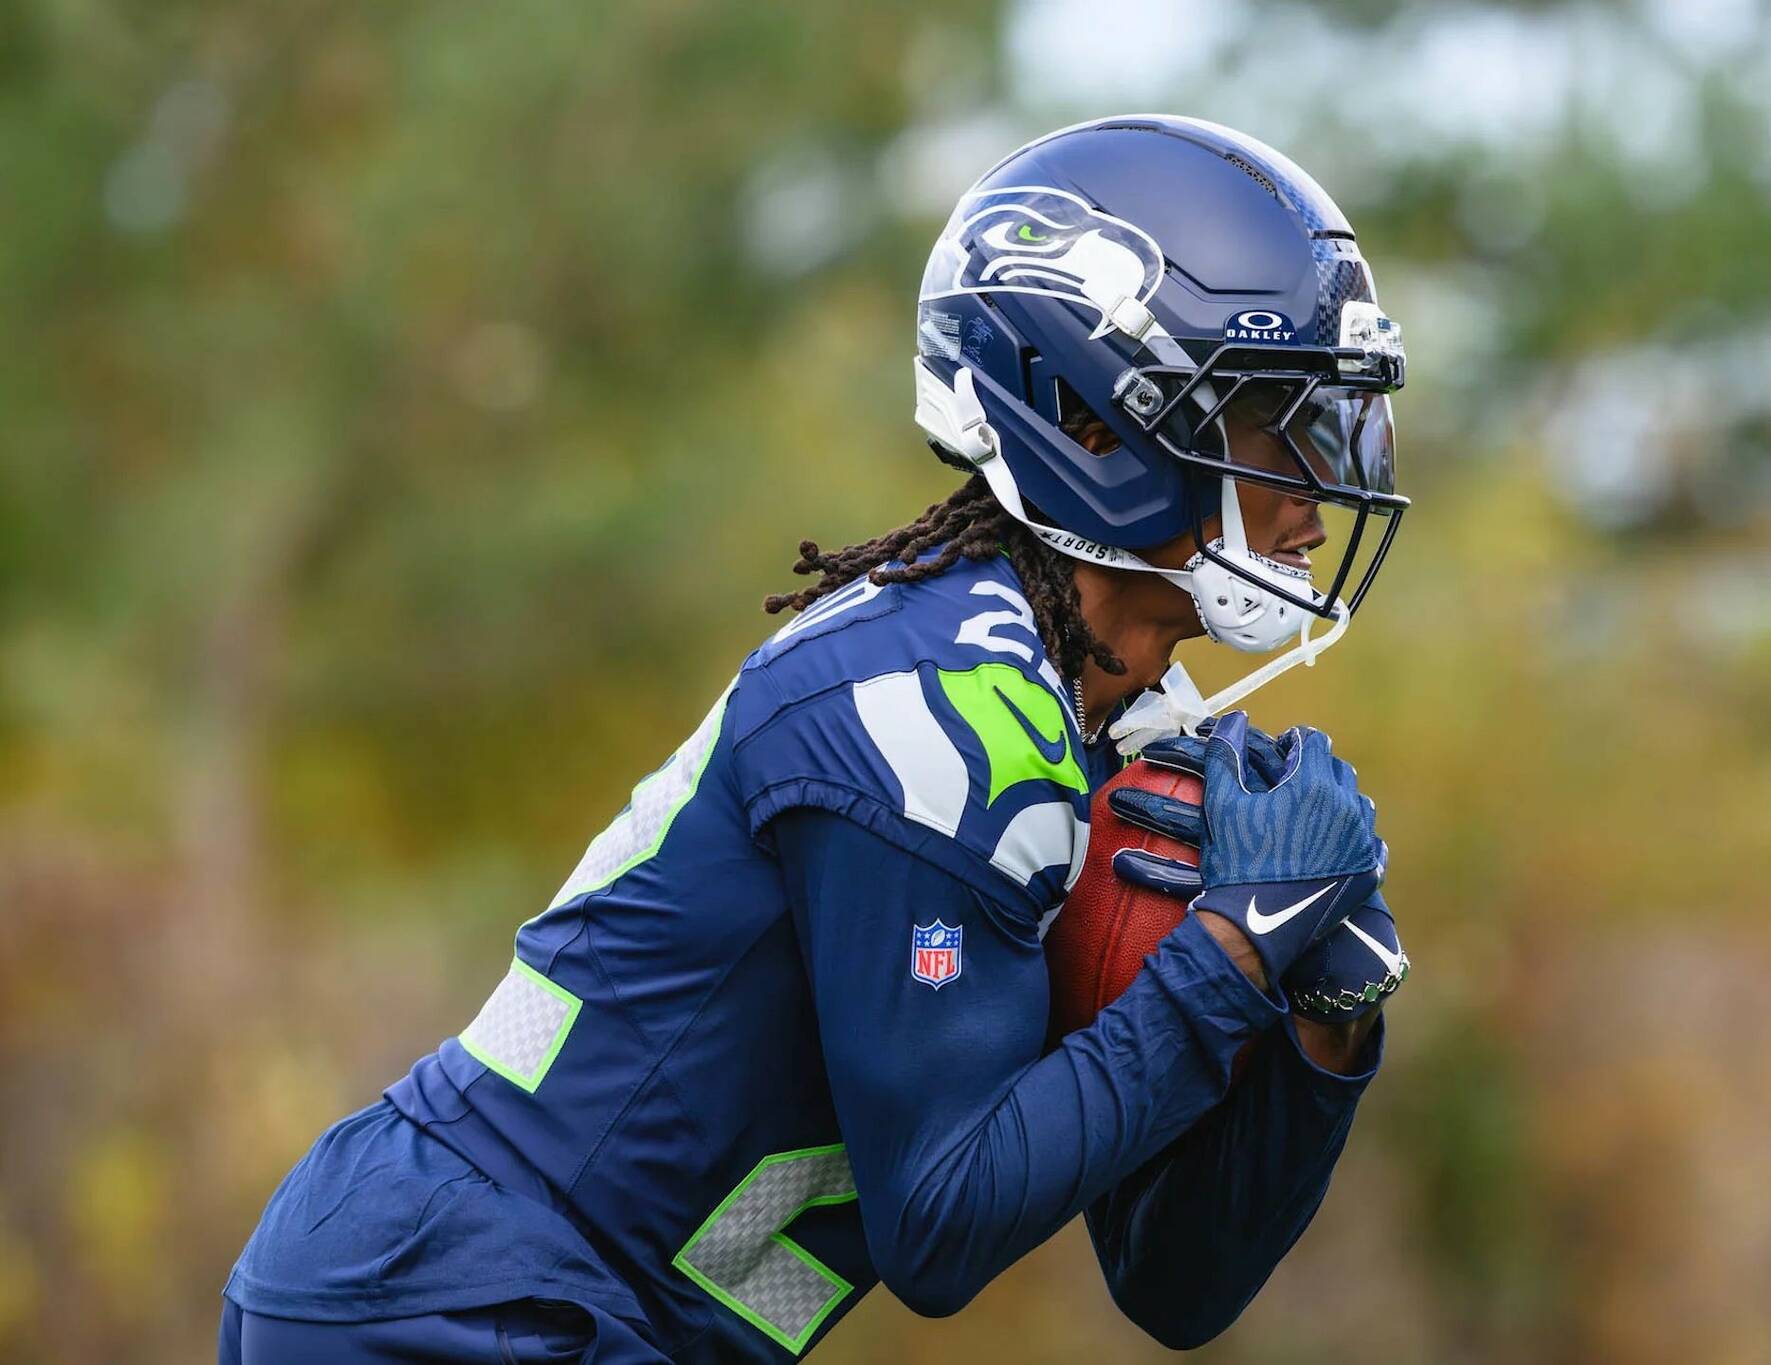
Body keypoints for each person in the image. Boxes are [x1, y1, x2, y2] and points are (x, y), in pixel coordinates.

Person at [222, 114, 1413, 1364]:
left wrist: (1320, 1016)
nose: (1316, 488)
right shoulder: (938, 703)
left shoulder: (1102, 727)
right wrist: (1229, 949)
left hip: (562, 1302)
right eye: (1270, 421)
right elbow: (939, 1228)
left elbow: (1175, 1288)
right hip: (455, 1288)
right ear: (1092, 421)